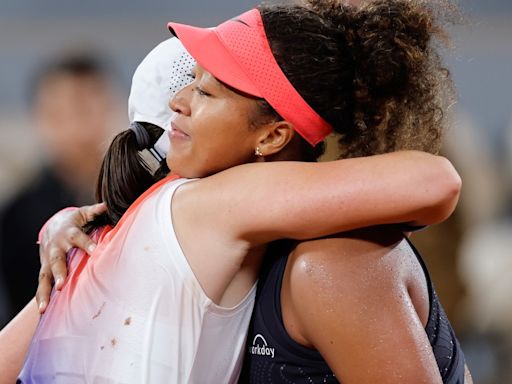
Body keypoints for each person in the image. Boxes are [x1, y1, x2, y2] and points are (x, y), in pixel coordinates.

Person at [1, 2, 463, 383]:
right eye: (189, 84)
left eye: (206, 92)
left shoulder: (328, 265)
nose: (176, 102)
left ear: (272, 137)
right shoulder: (164, 219)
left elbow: (437, 181)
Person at [0, 51, 121, 323]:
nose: (76, 128)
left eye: (85, 110)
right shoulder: (16, 216)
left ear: (110, 106)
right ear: (40, 117)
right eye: (60, 114)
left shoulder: (143, 197)